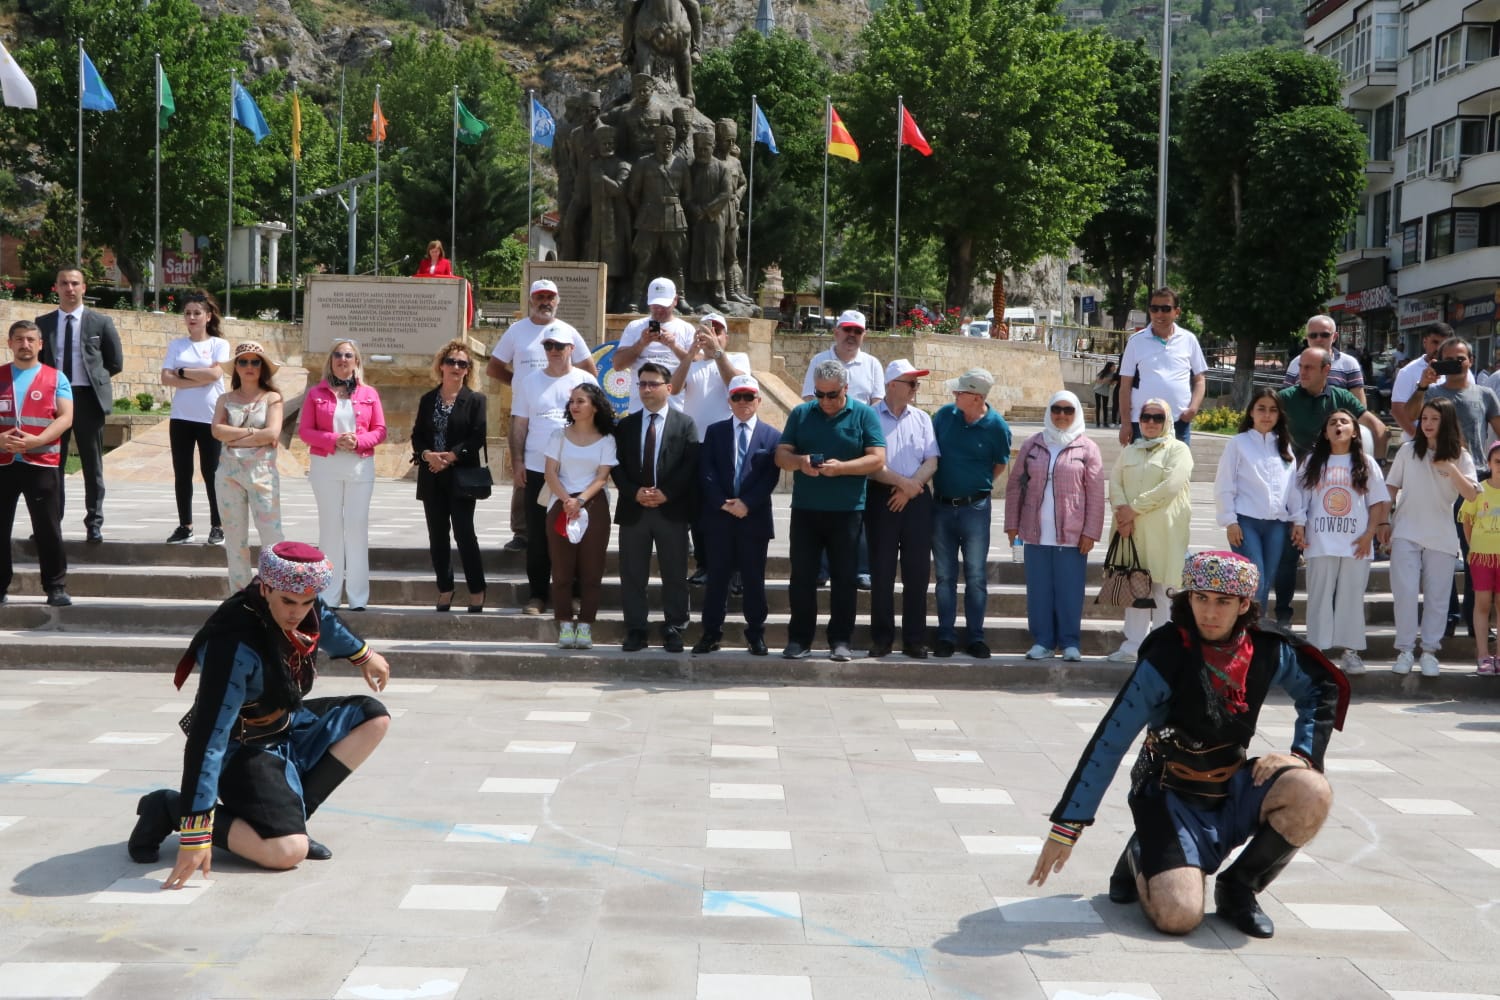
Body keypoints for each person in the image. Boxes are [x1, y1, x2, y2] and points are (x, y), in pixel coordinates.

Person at [1029, 551, 1349, 940]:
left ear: (1244, 604)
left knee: (1313, 789)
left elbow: (1322, 686)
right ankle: (1139, 855)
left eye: (1223, 602)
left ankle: (1239, 888)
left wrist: (1301, 754)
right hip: (1170, 798)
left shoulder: (1267, 648)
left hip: (1232, 792)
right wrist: (1068, 826)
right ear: (1188, 599)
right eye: (1201, 599)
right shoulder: (1166, 652)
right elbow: (1111, 740)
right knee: (1179, 917)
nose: (1209, 613)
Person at [127, 541, 393, 887]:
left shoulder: (298, 605)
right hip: (243, 749)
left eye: (306, 602)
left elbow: (321, 618)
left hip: (287, 723)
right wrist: (196, 831)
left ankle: (289, 819)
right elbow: (208, 738)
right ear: (265, 588)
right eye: (287, 602)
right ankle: (169, 807)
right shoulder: (233, 643)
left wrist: (363, 654)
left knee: (372, 718)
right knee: (286, 853)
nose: (297, 612)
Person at [775, 358, 886, 661]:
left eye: (832, 395)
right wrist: (800, 462)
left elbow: (877, 459)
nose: (825, 401)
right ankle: (799, 639)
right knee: (802, 577)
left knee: (845, 577)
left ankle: (840, 640)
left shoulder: (864, 415)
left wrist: (844, 469)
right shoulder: (801, 413)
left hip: (847, 511)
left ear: (846, 389)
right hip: (806, 510)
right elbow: (781, 454)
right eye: (819, 394)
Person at [485, 278, 597, 554]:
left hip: (563, 418)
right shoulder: (516, 331)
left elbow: (590, 371)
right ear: (531, 300)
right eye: (540, 297)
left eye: (550, 297)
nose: (545, 302)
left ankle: (566, 527)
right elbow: (494, 367)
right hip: (528, 410)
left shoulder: (568, 331)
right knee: (524, 475)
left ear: (557, 301)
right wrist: (522, 386)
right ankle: (521, 532)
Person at [1287, 410, 1392, 676]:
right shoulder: (1313, 462)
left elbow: (1379, 501)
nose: (1338, 425)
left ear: (1355, 431)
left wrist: (1370, 533)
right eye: (1332, 422)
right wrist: (1299, 524)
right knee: (1319, 596)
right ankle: (1316, 652)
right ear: (1325, 432)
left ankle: (1350, 651)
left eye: (1344, 422)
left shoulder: (1366, 463)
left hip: (1357, 542)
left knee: (1351, 597)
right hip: (1320, 540)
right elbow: (1297, 498)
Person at [1005, 389, 1105, 662]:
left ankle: (1070, 642)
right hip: (1035, 532)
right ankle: (1043, 641)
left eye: (1068, 410)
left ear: (1076, 414)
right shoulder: (1033, 444)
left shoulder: (1087, 448)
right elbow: (1015, 486)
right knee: (1039, 591)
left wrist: (1090, 532)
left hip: (1072, 535)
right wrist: (1012, 526)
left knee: (1070, 590)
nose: (1062, 415)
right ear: (1049, 412)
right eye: (1057, 410)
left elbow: (1096, 494)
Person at [1412, 336, 1500, 635]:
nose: (1455, 363)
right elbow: (1409, 416)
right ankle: (1446, 616)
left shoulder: (1485, 394)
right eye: (1447, 358)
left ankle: (1477, 619)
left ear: (1471, 361)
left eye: (1460, 358)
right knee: (1440, 552)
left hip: (1476, 481)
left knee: (1476, 552)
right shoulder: (1432, 393)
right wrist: (1423, 384)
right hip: (1436, 481)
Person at [1386, 397, 1477, 677]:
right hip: (1405, 531)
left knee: (1437, 597)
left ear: (1446, 421)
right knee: (1405, 593)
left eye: (1434, 419)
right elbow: (1390, 488)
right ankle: (1404, 650)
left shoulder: (1461, 456)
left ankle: (1429, 652)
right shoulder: (1407, 451)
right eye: (1424, 418)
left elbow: (1472, 494)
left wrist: (1450, 467)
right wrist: (1382, 522)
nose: (1427, 424)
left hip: (1442, 535)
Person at [612, 362, 699, 652]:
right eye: (642, 384)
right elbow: (617, 466)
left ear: (668, 388)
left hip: (670, 510)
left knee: (674, 572)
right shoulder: (625, 425)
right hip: (634, 509)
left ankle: (675, 627)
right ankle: (636, 629)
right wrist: (635, 492)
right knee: (633, 573)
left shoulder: (684, 423)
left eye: (653, 384)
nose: (647, 389)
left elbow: (689, 466)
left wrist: (666, 494)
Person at [693, 375, 781, 655]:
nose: (743, 402)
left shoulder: (772, 436)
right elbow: (707, 471)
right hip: (719, 518)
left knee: (754, 579)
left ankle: (756, 633)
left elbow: (770, 477)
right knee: (717, 578)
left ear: (758, 400)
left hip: (753, 519)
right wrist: (722, 502)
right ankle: (711, 633)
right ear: (729, 401)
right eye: (737, 397)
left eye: (748, 397)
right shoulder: (715, 431)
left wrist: (747, 504)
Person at [511, 336, 598, 616]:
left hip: (576, 472)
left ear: (572, 349)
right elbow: (520, 423)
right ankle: (537, 594)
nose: (554, 351)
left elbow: (599, 422)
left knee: (573, 534)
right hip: (538, 470)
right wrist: (517, 460)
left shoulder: (586, 379)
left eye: (560, 346)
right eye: (549, 346)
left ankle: (572, 594)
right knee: (537, 535)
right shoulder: (530, 381)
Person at [298, 339, 387, 612]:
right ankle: (329, 595)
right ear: (331, 360)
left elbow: (380, 430)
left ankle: (358, 597)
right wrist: (334, 439)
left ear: (356, 362)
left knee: (357, 527)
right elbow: (305, 431)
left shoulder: (369, 393)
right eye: (337, 354)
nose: (343, 359)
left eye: (348, 355)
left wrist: (358, 441)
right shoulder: (316, 393)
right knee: (331, 528)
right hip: (326, 466)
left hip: (359, 467)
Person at [36, 267, 122, 542]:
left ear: (84, 288)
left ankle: (94, 522)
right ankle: (51, 524)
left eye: (75, 283)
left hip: (87, 399)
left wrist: (95, 379)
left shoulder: (100, 322)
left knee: (91, 464)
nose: (69, 288)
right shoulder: (44, 322)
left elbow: (115, 362)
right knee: (52, 464)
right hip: (54, 400)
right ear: (56, 288)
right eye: (64, 284)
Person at [930, 368, 1011, 659]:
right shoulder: (942, 417)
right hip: (940, 507)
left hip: (975, 509)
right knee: (944, 576)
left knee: (976, 575)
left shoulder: (997, 427)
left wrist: (975, 487)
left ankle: (976, 637)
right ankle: (945, 636)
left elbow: (999, 465)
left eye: (960, 392)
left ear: (977, 398)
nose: (954, 395)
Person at [1107, 398, 1193, 662]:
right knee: (1135, 586)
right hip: (1130, 532)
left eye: (1158, 418)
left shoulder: (1178, 450)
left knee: (1164, 590)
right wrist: (1123, 513)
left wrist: (1133, 509)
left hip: (1163, 534)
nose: (1151, 423)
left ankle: (1163, 649)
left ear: (1167, 421)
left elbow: (1170, 486)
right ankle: (1133, 645)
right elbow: (1114, 481)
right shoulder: (1130, 450)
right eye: (1146, 417)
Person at [866, 361, 941, 659]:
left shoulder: (922, 418)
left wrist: (910, 489)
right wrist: (902, 485)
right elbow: (870, 463)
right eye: (911, 383)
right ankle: (882, 639)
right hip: (881, 497)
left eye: (916, 384)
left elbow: (932, 460)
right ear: (893, 384)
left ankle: (914, 639)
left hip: (917, 499)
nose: (915, 389)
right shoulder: (869, 417)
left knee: (918, 572)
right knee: (881, 571)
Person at [670, 312, 749, 585]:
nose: (711, 334)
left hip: (728, 443)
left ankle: (736, 568)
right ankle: (705, 564)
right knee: (699, 509)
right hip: (695, 443)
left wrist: (716, 352)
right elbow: (674, 388)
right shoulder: (691, 363)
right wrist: (690, 353)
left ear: (726, 336)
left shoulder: (737, 360)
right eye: (706, 330)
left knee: (729, 504)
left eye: (718, 330)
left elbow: (736, 385)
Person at [0, 320, 74, 607]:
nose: (25, 344)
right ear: (10, 343)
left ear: (40, 344)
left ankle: (55, 586)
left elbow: (66, 418)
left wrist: (35, 440)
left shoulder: (56, 378)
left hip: (41, 462)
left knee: (48, 528)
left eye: (31, 339)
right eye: (19, 339)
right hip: (3, 463)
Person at [411, 340, 488, 613]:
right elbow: (417, 436)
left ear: (468, 370)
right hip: (432, 476)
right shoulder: (427, 399)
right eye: (451, 362)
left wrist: (451, 457)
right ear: (441, 366)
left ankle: (477, 589)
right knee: (437, 536)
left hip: (462, 476)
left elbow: (477, 436)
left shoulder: (476, 400)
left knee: (465, 534)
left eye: (462, 364)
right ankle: (445, 588)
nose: (456, 367)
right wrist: (428, 455)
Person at [543, 383, 618, 650]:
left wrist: (581, 500)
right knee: (562, 570)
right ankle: (564, 623)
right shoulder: (558, 436)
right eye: (572, 401)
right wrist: (566, 500)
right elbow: (550, 473)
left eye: (581, 401)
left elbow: (602, 476)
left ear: (594, 406)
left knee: (591, 570)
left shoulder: (607, 440)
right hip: (560, 505)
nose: (574, 406)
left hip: (593, 506)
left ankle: (585, 625)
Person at [1214, 389, 1295, 621]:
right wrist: (1229, 520)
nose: (1267, 415)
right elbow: (1224, 484)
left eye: (1273, 410)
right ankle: (1247, 631)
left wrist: (1297, 520)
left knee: (1266, 580)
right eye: (1261, 408)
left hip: (1277, 525)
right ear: (1251, 412)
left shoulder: (1284, 446)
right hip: (1245, 521)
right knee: (1253, 577)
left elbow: (1293, 488)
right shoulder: (1238, 444)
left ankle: (1257, 631)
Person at [211, 343, 285, 594]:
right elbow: (217, 431)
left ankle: (275, 593)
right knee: (235, 540)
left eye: (255, 362)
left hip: (261, 471)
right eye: (243, 362)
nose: (249, 367)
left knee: (271, 537)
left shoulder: (272, 397)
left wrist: (236, 437)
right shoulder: (225, 398)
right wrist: (256, 433)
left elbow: (273, 433)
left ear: (262, 367)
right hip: (229, 473)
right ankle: (239, 598)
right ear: (236, 368)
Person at [160, 290, 232, 545]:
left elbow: (215, 375)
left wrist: (182, 374)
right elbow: (165, 378)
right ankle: (185, 525)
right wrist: (194, 377)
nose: (192, 317)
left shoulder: (218, 345)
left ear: (208, 316)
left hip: (211, 417)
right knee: (182, 472)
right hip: (181, 417)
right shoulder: (177, 345)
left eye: (197, 313)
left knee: (212, 472)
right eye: (188, 313)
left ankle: (217, 525)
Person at [1117, 287, 1207, 445]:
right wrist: (1125, 424)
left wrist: (1193, 408)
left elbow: (1199, 379)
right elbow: (1125, 386)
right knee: (1142, 469)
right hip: (1143, 422)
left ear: (1176, 312)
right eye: (1154, 308)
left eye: (1166, 309)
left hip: (1178, 421)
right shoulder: (1136, 342)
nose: (1159, 314)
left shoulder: (1189, 340)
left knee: (1177, 469)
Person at [613, 277, 696, 412]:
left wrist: (674, 346)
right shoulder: (634, 327)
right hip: (638, 409)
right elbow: (618, 365)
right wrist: (641, 343)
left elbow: (696, 365)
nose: (659, 310)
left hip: (674, 409)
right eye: (655, 306)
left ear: (675, 301)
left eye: (664, 306)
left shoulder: (686, 329)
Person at [1460, 442, 1500, 674]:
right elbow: (1467, 521)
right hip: (1482, 558)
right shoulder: (1479, 491)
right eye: (1497, 462)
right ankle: (1483, 655)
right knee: (1482, 604)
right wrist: (1474, 546)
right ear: (1489, 464)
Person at [1391, 323, 1467, 441]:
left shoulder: (1462, 372)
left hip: (1453, 444)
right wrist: (1420, 438)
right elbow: (1397, 411)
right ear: (1425, 342)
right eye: (1435, 342)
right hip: (1418, 447)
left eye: (1444, 343)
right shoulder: (1408, 372)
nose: (1438, 348)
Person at [800, 309, 884, 406]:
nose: (852, 334)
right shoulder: (818, 361)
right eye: (847, 329)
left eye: (858, 331)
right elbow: (809, 397)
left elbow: (877, 403)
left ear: (863, 336)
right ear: (836, 333)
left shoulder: (873, 365)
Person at [1281, 315, 1366, 406]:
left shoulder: (1349, 363)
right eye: (1313, 335)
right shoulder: (1295, 363)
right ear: (1307, 338)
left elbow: (1359, 404)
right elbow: (1286, 402)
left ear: (1334, 337)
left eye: (1325, 335)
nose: (1318, 339)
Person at [1092, 361, 1117, 427]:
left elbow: (1111, 383)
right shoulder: (1103, 372)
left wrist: (1111, 382)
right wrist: (1105, 380)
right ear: (1110, 367)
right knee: (1098, 406)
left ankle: (1105, 422)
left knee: (1105, 407)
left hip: (1105, 392)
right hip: (1098, 390)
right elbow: (1097, 380)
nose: (1115, 367)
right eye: (1113, 366)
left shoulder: (1113, 374)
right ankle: (1098, 423)